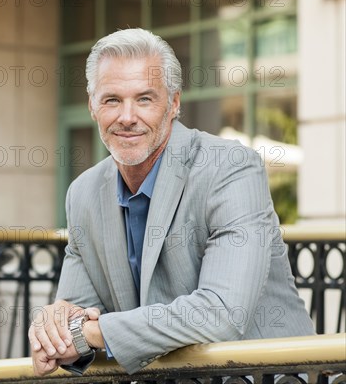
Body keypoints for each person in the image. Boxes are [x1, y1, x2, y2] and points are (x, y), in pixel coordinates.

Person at [28, 28, 314, 376]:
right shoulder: (83, 193)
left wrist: (93, 332)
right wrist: (54, 327)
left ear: (174, 104)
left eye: (145, 99)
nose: (127, 116)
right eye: (112, 100)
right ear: (92, 106)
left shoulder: (230, 168)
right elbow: (75, 322)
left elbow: (222, 312)